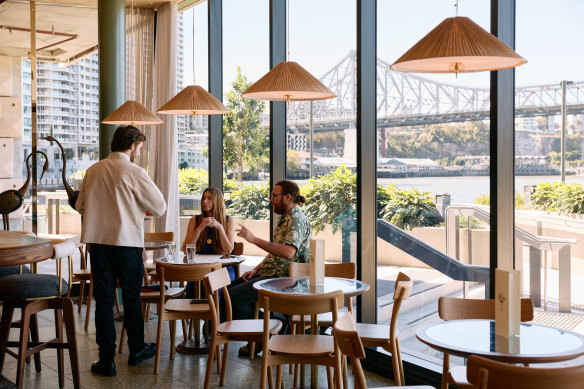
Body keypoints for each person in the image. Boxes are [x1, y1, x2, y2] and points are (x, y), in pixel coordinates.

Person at [76, 125, 167, 377]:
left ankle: (107, 360)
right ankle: (136, 349)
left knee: (104, 303)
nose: (139, 152)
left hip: (99, 245)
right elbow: (159, 206)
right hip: (127, 245)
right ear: (132, 145)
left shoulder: (92, 171)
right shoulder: (134, 171)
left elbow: (81, 206)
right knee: (131, 299)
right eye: (139, 147)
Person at [229, 179, 311, 354]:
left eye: (274, 195)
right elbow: (275, 251)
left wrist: (253, 239)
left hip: (287, 279)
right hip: (274, 274)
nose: (271, 199)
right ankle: (268, 331)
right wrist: (256, 269)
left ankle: (268, 333)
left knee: (234, 297)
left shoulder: (296, 219)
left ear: (287, 197)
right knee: (229, 289)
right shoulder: (286, 218)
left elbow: (288, 252)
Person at [181, 187, 236, 297]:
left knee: (216, 287)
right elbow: (185, 250)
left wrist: (220, 228)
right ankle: (196, 314)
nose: (205, 201)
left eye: (209, 198)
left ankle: (216, 314)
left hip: (221, 269)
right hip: (199, 269)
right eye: (203, 198)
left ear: (217, 201)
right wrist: (200, 228)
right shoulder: (194, 220)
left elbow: (228, 250)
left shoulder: (228, 220)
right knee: (192, 288)